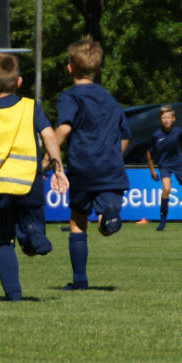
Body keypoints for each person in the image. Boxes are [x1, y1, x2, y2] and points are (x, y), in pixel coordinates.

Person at [0, 53, 68, 301]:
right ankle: (34, 233)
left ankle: (14, 294)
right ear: (19, 82)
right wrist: (58, 167)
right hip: (29, 181)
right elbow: (49, 135)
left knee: (3, 240)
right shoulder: (30, 107)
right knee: (32, 219)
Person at [51, 37, 131, 291]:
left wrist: (47, 158)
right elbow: (126, 136)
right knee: (106, 223)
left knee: (77, 221)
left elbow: (64, 129)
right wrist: (112, 156)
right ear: (99, 70)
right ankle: (108, 212)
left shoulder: (69, 97)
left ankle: (80, 281)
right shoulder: (111, 100)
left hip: (82, 167)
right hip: (110, 168)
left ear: (69, 68)